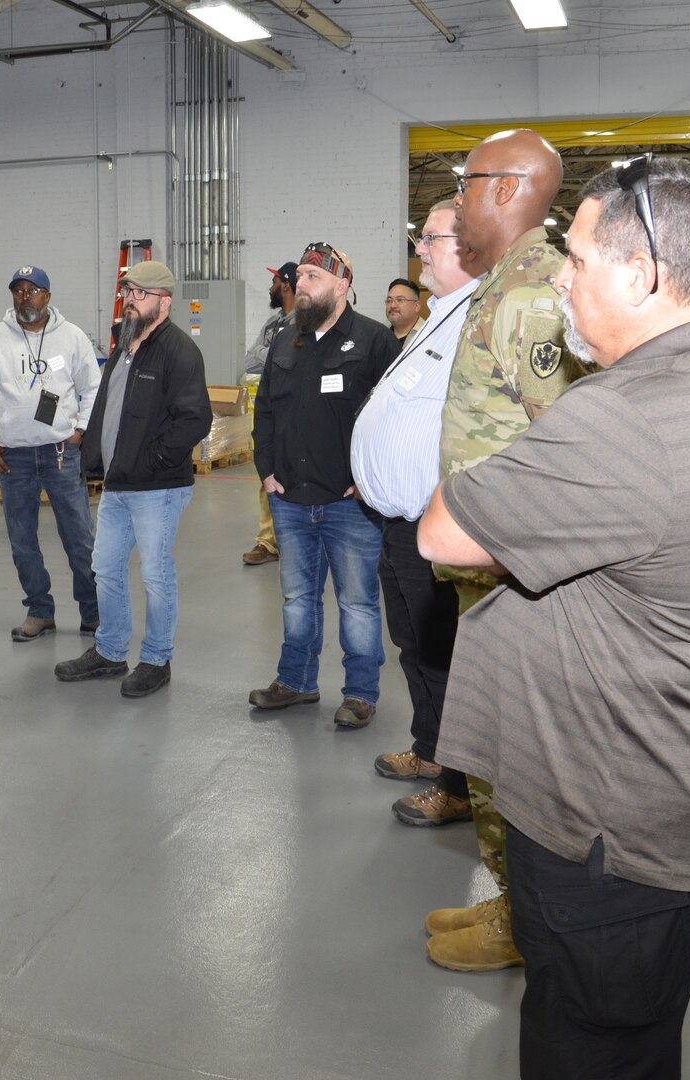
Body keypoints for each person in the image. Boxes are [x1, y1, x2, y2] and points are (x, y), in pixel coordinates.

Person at [419, 156, 690, 1078]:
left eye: (573, 260)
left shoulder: (626, 416)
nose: (561, 280)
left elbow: (443, 532)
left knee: (588, 1048)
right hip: (642, 792)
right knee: (618, 1034)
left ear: (640, 273)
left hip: (603, 822)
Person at [418, 128, 578, 974]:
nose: (458, 198)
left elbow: (564, 444)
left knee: (514, 754)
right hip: (483, 564)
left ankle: (526, 919)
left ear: (508, 188)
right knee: (485, 742)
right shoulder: (501, 286)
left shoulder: (533, 296)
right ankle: (508, 898)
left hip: (514, 573)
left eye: (467, 182)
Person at [352, 201, 481, 819]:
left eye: (430, 239)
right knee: (413, 642)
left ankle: (459, 786)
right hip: (399, 522)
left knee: (446, 651)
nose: (420, 249)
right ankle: (431, 749)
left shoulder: (477, 319)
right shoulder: (438, 315)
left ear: (470, 246)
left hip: (437, 520)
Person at [248, 243, 398, 728]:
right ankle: (296, 681)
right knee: (296, 598)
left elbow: (393, 417)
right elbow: (265, 408)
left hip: (348, 502)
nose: (303, 285)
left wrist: (366, 478)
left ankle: (359, 693)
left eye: (313, 277)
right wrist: (266, 468)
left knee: (356, 602)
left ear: (342, 284)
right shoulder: (286, 340)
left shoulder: (374, 341)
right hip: (290, 497)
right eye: (303, 276)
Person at [55, 260, 210, 698]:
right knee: (105, 568)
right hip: (119, 484)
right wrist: (92, 453)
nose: (130, 301)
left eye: (139, 294)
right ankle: (109, 651)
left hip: (157, 487)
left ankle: (157, 659)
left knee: (156, 575)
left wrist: (154, 458)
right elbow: (108, 406)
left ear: (164, 301)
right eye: (128, 293)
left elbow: (195, 418)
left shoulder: (179, 351)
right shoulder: (126, 346)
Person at [0, 266, 102, 643]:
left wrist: (80, 431)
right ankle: (39, 610)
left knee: (79, 537)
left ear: (48, 296)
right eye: (18, 290)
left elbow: (93, 388)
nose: (25, 297)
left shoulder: (72, 338)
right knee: (22, 539)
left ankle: (92, 613)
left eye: (33, 290)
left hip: (61, 452)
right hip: (14, 458)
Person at [242, 262, 298, 567]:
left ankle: (296, 538)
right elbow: (250, 361)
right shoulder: (272, 324)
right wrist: (278, 350)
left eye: (274, 281)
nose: (270, 286)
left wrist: (273, 353)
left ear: (286, 285)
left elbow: (297, 361)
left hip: (295, 410)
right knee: (267, 473)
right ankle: (268, 541)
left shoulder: (305, 321)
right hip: (269, 410)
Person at [384, 277, 424, 346]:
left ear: (417, 306)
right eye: (389, 300)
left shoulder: (429, 334)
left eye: (400, 300)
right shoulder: (381, 336)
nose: (393, 305)